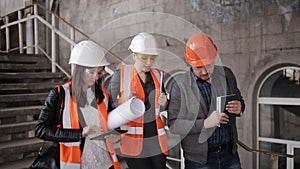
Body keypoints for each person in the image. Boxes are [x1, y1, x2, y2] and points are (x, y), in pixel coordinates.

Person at [35, 40, 120, 169]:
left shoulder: (103, 94)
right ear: (79, 70)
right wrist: (80, 133)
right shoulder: (59, 94)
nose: (96, 77)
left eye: (99, 72)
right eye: (91, 72)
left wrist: (116, 134)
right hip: (76, 162)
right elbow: (40, 129)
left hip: (104, 162)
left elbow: (111, 121)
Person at [167, 34, 245, 169]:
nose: (204, 71)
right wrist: (204, 123)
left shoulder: (227, 74)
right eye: (198, 67)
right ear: (189, 63)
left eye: (208, 65)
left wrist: (240, 107)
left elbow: (239, 100)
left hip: (230, 154)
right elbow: (174, 125)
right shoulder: (180, 86)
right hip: (200, 161)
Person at [108, 32, 168, 169]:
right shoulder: (121, 75)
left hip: (156, 138)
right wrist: (122, 106)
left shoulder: (158, 75)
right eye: (144, 58)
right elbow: (108, 105)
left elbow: (162, 107)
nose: (149, 63)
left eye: (153, 58)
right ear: (134, 55)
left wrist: (165, 103)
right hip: (132, 141)